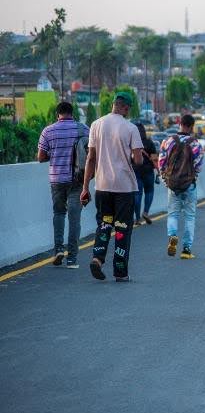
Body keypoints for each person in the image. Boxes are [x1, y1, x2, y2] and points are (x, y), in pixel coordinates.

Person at [79, 92, 143, 281]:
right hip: (124, 188)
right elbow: (138, 160)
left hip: (102, 187)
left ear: (113, 104)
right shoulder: (130, 128)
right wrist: (132, 156)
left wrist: (85, 187)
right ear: (126, 107)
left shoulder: (96, 125)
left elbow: (91, 158)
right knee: (122, 229)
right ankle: (120, 272)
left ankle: (98, 259)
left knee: (105, 224)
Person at [37, 101, 90, 269]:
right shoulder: (83, 129)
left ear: (57, 114)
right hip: (78, 179)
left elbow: (40, 157)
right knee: (74, 219)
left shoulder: (48, 131)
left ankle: (58, 249)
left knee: (59, 213)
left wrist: (55, 154)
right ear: (72, 113)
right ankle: (72, 259)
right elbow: (92, 153)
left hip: (57, 180)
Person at [159, 114, 203, 260]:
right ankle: (186, 250)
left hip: (173, 184)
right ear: (191, 126)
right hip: (189, 185)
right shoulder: (195, 144)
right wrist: (192, 177)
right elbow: (198, 165)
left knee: (173, 214)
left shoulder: (168, 141)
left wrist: (165, 178)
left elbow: (162, 162)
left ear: (180, 124)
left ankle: (172, 236)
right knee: (190, 216)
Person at [132, 123, 158, 226]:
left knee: (137, 194)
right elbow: (155, 158)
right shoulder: (149, 143)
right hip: (148, 171)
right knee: (149, 191)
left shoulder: (131, 143)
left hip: (136, 171)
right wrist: (158, 171)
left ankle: (137, 218)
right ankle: (146, 212)